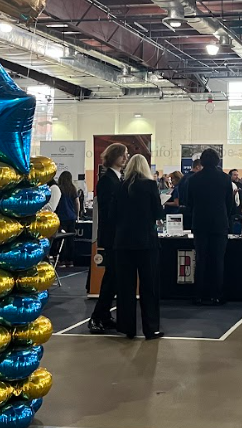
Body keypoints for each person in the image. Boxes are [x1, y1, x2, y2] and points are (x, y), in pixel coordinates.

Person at [114, 154, 164, 339]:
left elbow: (112, 215)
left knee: (125, 287)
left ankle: (127, 328)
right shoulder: (150, 186)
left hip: (123, 243)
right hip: (146, 242)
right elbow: (158, 212)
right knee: (149, 286)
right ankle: (151, 328)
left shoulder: (120, 186)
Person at [89, 142, 128, 334]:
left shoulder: (118, 178)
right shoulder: (107, 180)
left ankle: (103, 316)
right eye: (123, 155)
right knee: (111, 278)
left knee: (114, 278)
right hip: (112, 235)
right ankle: (97, 317)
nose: (125, 158)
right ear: (114, 156)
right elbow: (107, 211)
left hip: (118, 235)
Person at [186, 148, 234, 305]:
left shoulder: (193, 179)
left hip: (200, 223)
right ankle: (217, 294)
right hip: (220, 224)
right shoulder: (225, 179)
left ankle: (199, 294)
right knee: (218, 260)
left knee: (201, 259)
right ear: (217, 161)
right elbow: (230, 204)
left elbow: (189, 204)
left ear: (202, 162)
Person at [55, 171, 80, 267]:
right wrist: (77, 215)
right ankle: (70, 261)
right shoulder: (73, 189)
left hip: (61, 217)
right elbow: (77, 203)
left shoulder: (59, 189)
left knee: (61, 239)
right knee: (70, 240)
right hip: (71, 217)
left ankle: (61, 260)